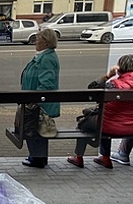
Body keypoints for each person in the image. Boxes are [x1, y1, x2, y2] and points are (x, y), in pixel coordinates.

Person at [67, 54, 133, 169]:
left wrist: (108, 76)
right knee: (105, 117)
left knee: (84, 123)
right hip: (131, 127)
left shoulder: (113, 85)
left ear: (120, 68)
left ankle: (79, 157)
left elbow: (92, 89)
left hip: (108, 125)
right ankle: (105, 157)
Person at [20, 28, 60, 168]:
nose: (35, 41)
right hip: (36, 102)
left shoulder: (46, 58)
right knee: (38, 130)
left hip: (39, 104)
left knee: (36, 130)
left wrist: (33, 98)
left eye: (38, 39)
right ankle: (39, 158)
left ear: (46, 42)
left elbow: (47, 84)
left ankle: (37, 159)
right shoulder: (42, 56)